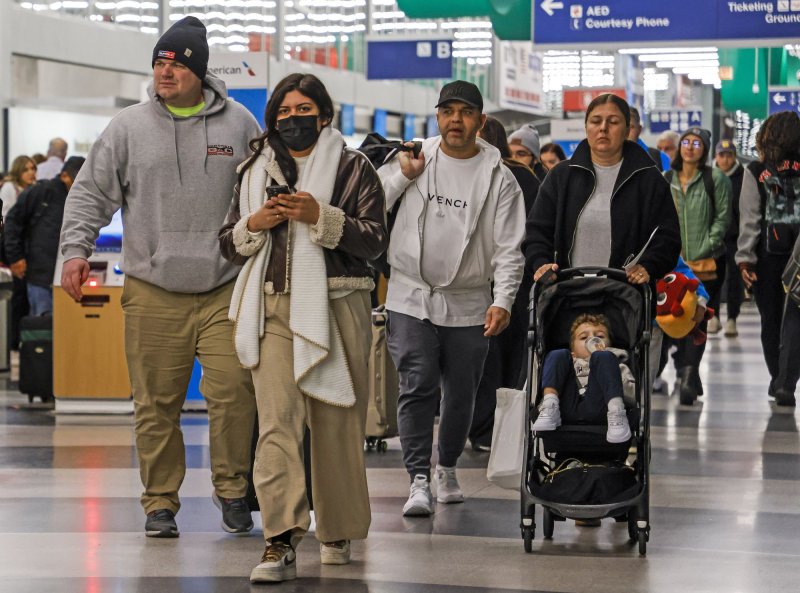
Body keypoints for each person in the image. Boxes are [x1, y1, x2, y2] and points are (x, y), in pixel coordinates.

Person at [59, 16, 261, 538]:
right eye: (159, 61)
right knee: (155, 404)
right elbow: (89, 194)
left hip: (226, 287)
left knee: (235, 396)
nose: (164, 70)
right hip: (153, 290)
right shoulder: (128, 127)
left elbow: (264, 192)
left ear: (198, 69)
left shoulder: (239, 124)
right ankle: (159, 502)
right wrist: (74, 252)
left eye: (175, 62)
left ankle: (234, 489)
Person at [219, 72, 387, 583]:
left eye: (302, 110)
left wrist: (322, 216)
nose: (292, 120)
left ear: (324, 114)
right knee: (275, 423)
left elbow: (375, 241)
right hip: (270, 307)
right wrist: (256, 224)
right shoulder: (254, 170)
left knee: (336, 424)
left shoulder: (354, 168)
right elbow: (227, 242)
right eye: (283, 113)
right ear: (272, 120)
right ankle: (279, 539)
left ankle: (335, 530)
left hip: (340, 305)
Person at [378, 80, 525, 517]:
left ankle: (448, 466)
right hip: (409, 295)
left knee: (461, 393)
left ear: (480, 121)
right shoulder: (413, 157)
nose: (455, 120)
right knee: (418, 381)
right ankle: (418, 477)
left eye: (464, 113)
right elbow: (369, 202)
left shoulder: (500, 178)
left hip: (468, 301)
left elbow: (508, 249)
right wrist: (403, 176)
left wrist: (503, 301)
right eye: (447, 111)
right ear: (437, 116)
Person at [523, 93, 681, 298]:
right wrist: (541, 262)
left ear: (627, 130)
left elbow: (667, 237)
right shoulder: (561, 177)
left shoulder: (649, 179)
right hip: (565, 297)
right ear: (586, 127)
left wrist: (648, 266)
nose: (603, 128)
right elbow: (537, 231)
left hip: (626, 301)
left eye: (613, 122)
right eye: (595, 121)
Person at [469, 116, 538, 452]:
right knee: (509, 356)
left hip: (486, 277)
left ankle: (483, 429)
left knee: (486, 355)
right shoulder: (524, 175)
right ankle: (502, 428)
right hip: (517, 279)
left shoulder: (498, 175)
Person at [736, 111, 800, 407]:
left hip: (769, 257)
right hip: (798, 256)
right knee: (796, 318)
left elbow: (750, 218)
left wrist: (745, 260)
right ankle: (788, 379)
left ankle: (778, 379)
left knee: (771, 319)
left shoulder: (755, 169)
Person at [665, 127, 731, 404]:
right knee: (677, 316)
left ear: (704, 149)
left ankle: (689, 374)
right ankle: (687, 371)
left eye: (697, 144)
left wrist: (708, 243)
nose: (690, 147)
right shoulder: (666, 179)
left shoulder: (714, 178)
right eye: (686, 142)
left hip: (706, 264)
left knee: (698, 319)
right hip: (674, 265)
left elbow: (723, 217)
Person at [532, 313, 634, 443]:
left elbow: (632, 395)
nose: (592, 339)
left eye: (600, 336)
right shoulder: (567, 363)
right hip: (566, 407)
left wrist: (613, 377)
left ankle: (617, 411)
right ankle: (549, 406)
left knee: (604, 358)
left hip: (603, 409)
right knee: (557, 354)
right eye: (584, 337)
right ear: (573, 350)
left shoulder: (617, 365)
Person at [5, 157, 85, 316]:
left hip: (66, 278)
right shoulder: (41, 192)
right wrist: (15, 258)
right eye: (77, 180)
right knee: (43, 330)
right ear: (64, 176)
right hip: (40, 277)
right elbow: (13, 222)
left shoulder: (79, 199)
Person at [0, 155, 37, 359]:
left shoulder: (34, 190)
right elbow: (9, 222)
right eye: (26, 169)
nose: (31, 173)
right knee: (18, 298)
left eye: (33, 168)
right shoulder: (10, 189)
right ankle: (14, 344)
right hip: (14, 250)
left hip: (29, 250)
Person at [714, 139, 745, 337]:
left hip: (735, 237)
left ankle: (732, 317)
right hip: (714, 238)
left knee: (734, 280)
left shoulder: (743, 177)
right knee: (713, 279)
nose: (725, 159)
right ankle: (713, 316)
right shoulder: (708, 176)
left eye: (729, 155)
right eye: (722, 155)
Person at [629, 107, 670, 172]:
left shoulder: (660, 158)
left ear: (639, 129)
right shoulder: (608, 159)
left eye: (631, 127)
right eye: (622, 127)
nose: (625, 131)